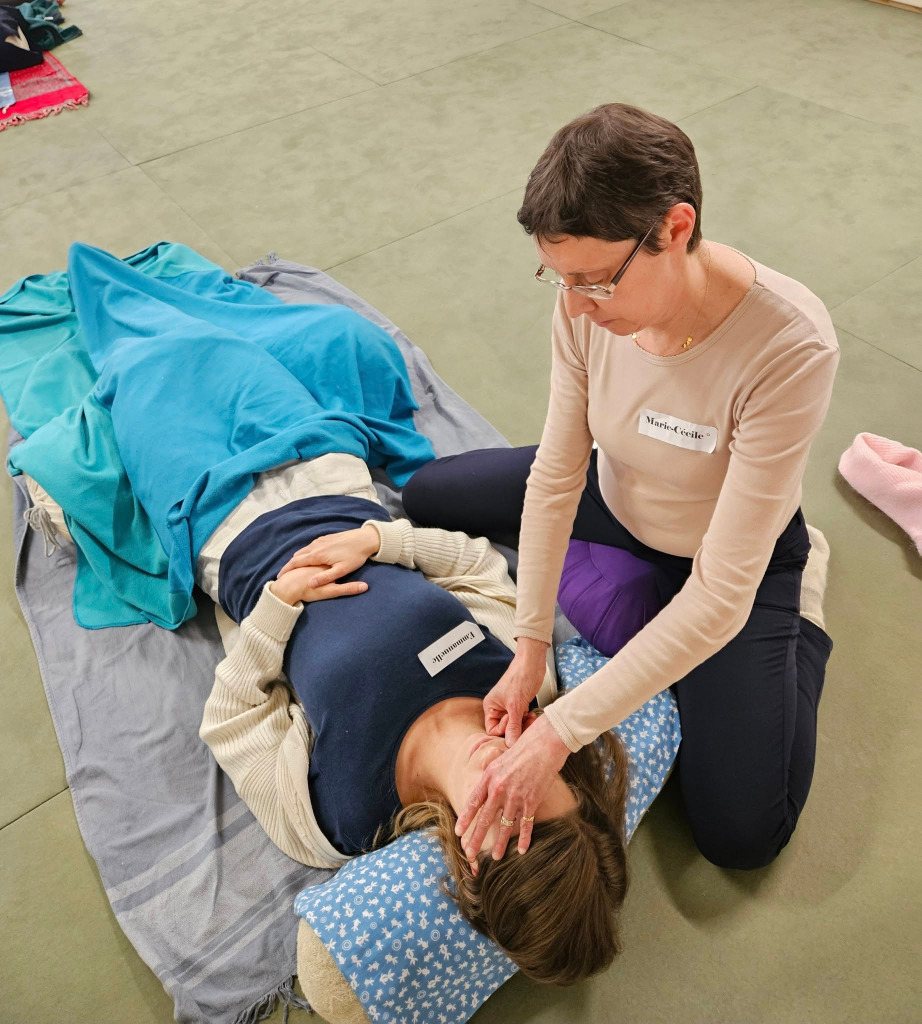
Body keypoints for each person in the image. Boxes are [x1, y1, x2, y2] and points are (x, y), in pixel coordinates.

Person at [399, 102, 838, 872]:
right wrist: (530, 647)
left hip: (733, 550)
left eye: (595, 281)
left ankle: (805, 604)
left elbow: (718, 596)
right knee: (427, 493)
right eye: (557, 277)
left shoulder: (790, 345)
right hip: (619, 488)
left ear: (674, 228)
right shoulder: (583, 304)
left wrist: (559, 730)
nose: (571, 305)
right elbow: (559, 475)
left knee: (742, 836)